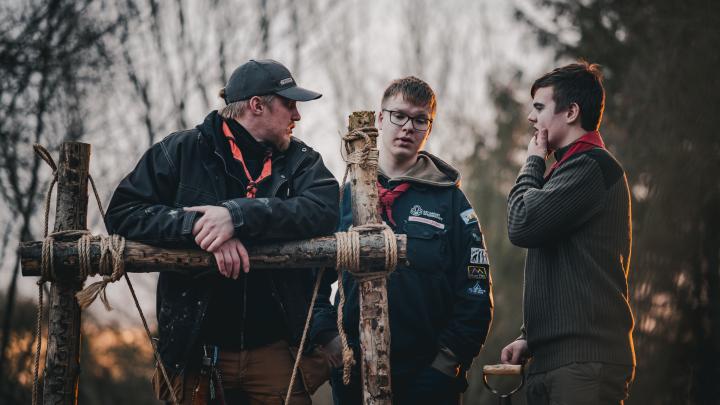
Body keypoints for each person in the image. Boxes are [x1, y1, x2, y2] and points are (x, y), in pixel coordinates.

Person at [105, 59, 339, 405]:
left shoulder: (302, 161)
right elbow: (123, 212)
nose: (297, 116)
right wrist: (198, 227)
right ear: (257, 105)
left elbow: (324, 210)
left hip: (276, 349)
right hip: (194, 349)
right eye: (289, 103)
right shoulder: (181, 151)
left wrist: (237, 217)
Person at [311, 76, 493, 405]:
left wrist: (447, 363)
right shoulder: (344, 196)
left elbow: (475, 291)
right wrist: (328, 337)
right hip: (353, 370)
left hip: (429, 375)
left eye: (420, 119)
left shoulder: (451, 202)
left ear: (429, 128)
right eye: (399, 115)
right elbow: (313, 280)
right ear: (380, 119)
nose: (408, 126)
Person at [501, 62, 635, 405]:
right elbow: (565, 267)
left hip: (584, 364)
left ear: (572, 111)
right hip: (557, 361)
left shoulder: (592, 167)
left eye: (540, 107)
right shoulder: (565, 171)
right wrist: (530, 338)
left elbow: (521, 222)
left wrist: (532, 162)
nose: (532, 118)